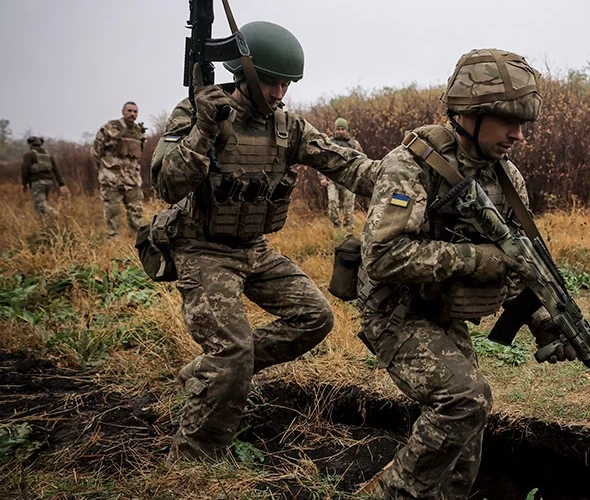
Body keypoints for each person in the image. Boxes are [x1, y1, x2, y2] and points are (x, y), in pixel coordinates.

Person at [151, 21, 379, 462]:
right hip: (202, 249)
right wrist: (203, 128)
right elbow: (167, 184)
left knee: (315, 317)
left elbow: (344, 163)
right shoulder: (196, 113)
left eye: (286, 84)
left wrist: (402, 180)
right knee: (234, 349)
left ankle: (210, 373)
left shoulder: (287, 126)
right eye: (271, 82)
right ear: (243, 74)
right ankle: (195, 455)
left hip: (253, 249)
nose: (279, 93)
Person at [356, 48, 576, 500]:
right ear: (469, 114)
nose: (518, 134)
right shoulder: (410, 164)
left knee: (466, 448)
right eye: (506, 121)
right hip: (394, 312)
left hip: (445, 314)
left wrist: (543, 321)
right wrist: (480, 259)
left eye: (523, 123)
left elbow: (519, 259)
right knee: (464, 400)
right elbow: (383, 256)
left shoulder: (506, 177)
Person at [92, 101, 146, 237]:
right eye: (129, 111)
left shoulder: (139, 132)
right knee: (112, 211)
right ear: (123, 112)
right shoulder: (110, 128)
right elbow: (96, 151)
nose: (132, 114)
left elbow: (138, 156)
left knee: (136, 210)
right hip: (112, 178)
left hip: (132, 179)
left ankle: (137, 240)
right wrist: (104, 170)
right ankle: (113, 241)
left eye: (135, 111)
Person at [319, 117, 364, 227]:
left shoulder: (354, 144)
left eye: (342, 129)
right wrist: (322, 178)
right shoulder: (329, 143)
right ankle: (336, 226)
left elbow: (362, 160)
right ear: (335, 130)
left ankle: (348, 226)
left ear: (346, 130)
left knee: (349, 204)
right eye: (338, 129)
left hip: (348, 177)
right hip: (332, 177)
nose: (340, 131)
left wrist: (359, 176)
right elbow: (321, 160)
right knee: (333, 202)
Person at [21, 136, 68, 217]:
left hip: (37, 182)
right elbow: (56, 170)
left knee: (40, 204)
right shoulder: (48, 155)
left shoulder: (29, 154)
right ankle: (43, 224)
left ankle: (58, 216)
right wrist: (61, 184)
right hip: (49, 182)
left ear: (31, 145)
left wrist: (24, 183)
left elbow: (25, 169)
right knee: (40, 204)